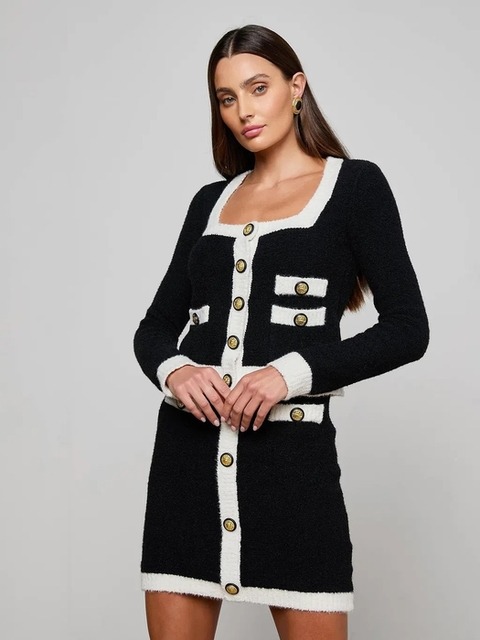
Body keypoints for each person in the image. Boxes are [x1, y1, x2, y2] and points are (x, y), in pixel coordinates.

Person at [133, 24, 429, 640]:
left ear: (296, 88)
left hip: (293, 474)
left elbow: (408, 328)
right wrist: (176, 370)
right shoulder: (208, 203)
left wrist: (289, 374)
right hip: (186, 472)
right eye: (227, 97)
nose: (243, 110)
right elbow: (155, 329)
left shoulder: (356, 187)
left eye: (258, 88)